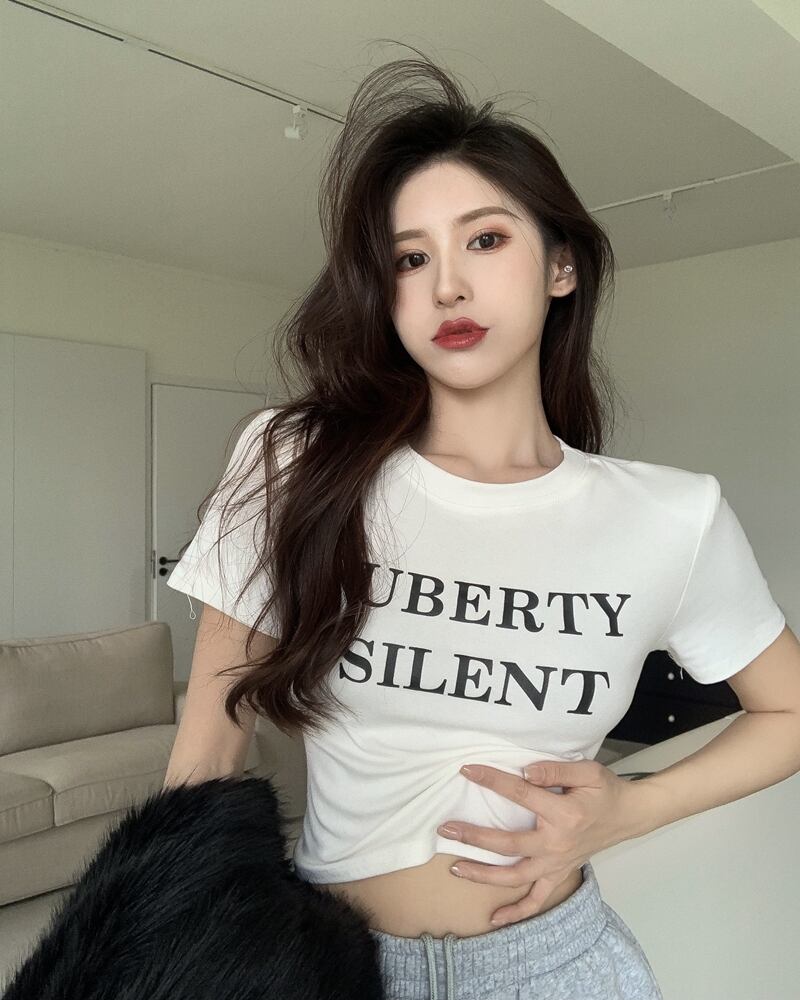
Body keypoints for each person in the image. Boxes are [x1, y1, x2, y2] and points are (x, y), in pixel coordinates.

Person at [164, 46, 786, 1000]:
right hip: (331, 966)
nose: (446, 285)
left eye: (485, 240)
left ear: (562, 266)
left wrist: (632, 808)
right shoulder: (295, 463)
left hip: (559, 967)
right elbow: (208, 752)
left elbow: (789, 709)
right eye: (410, 259)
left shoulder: (672, 515)